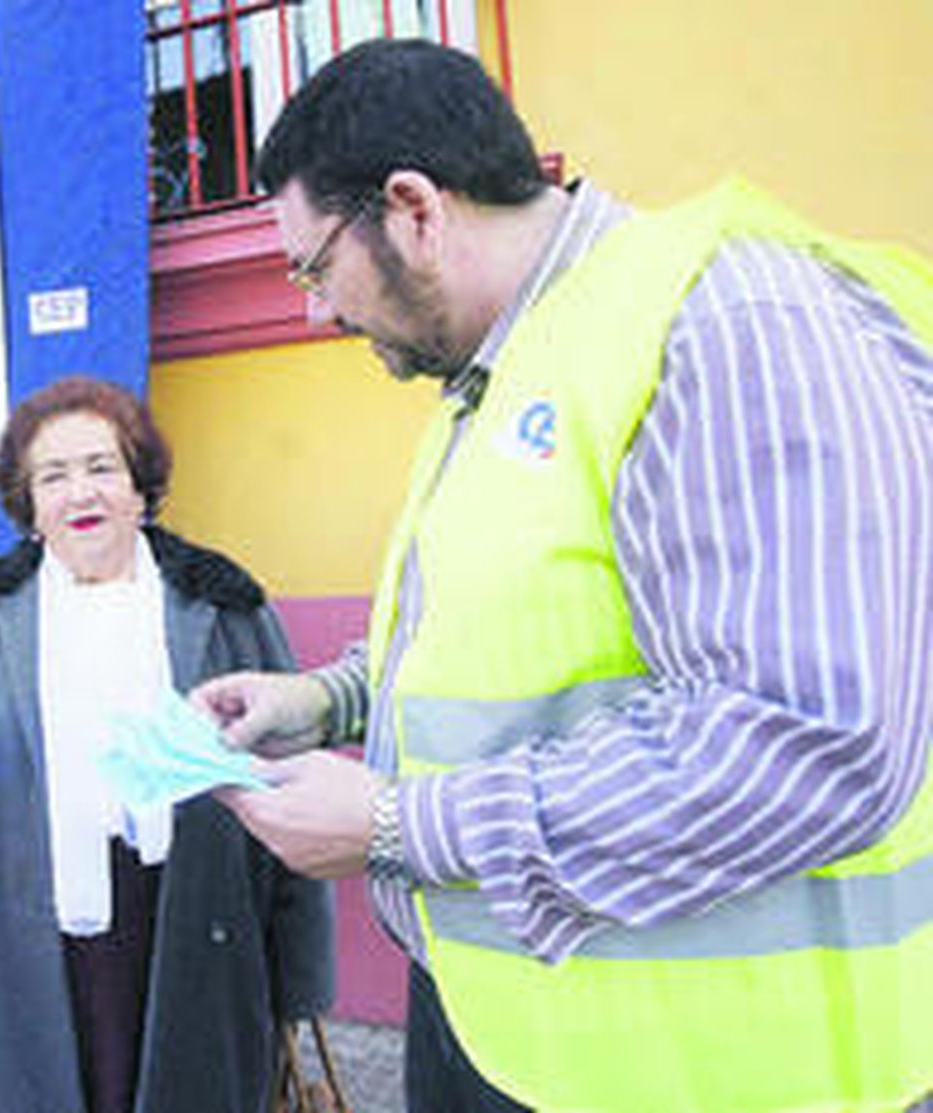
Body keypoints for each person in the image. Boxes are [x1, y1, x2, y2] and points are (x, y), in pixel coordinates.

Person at [190, 37, 933, 1113]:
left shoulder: (725, 320)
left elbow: (804, 741)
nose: (315, 309)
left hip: (719, 1072)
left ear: (413, 210)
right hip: (516, 1027)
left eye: (313, 266)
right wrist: (323, 698)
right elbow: (510, 632)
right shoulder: (504, 365)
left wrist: (399, 828)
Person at [0, 376, 334, 1113]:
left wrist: (300, 984)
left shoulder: (224, 607)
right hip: (31, 949)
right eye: (53, 476)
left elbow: (292, 786)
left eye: (101, 467)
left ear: (140, 487)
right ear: (29, 507)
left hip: (190, 938)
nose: (79, 492)